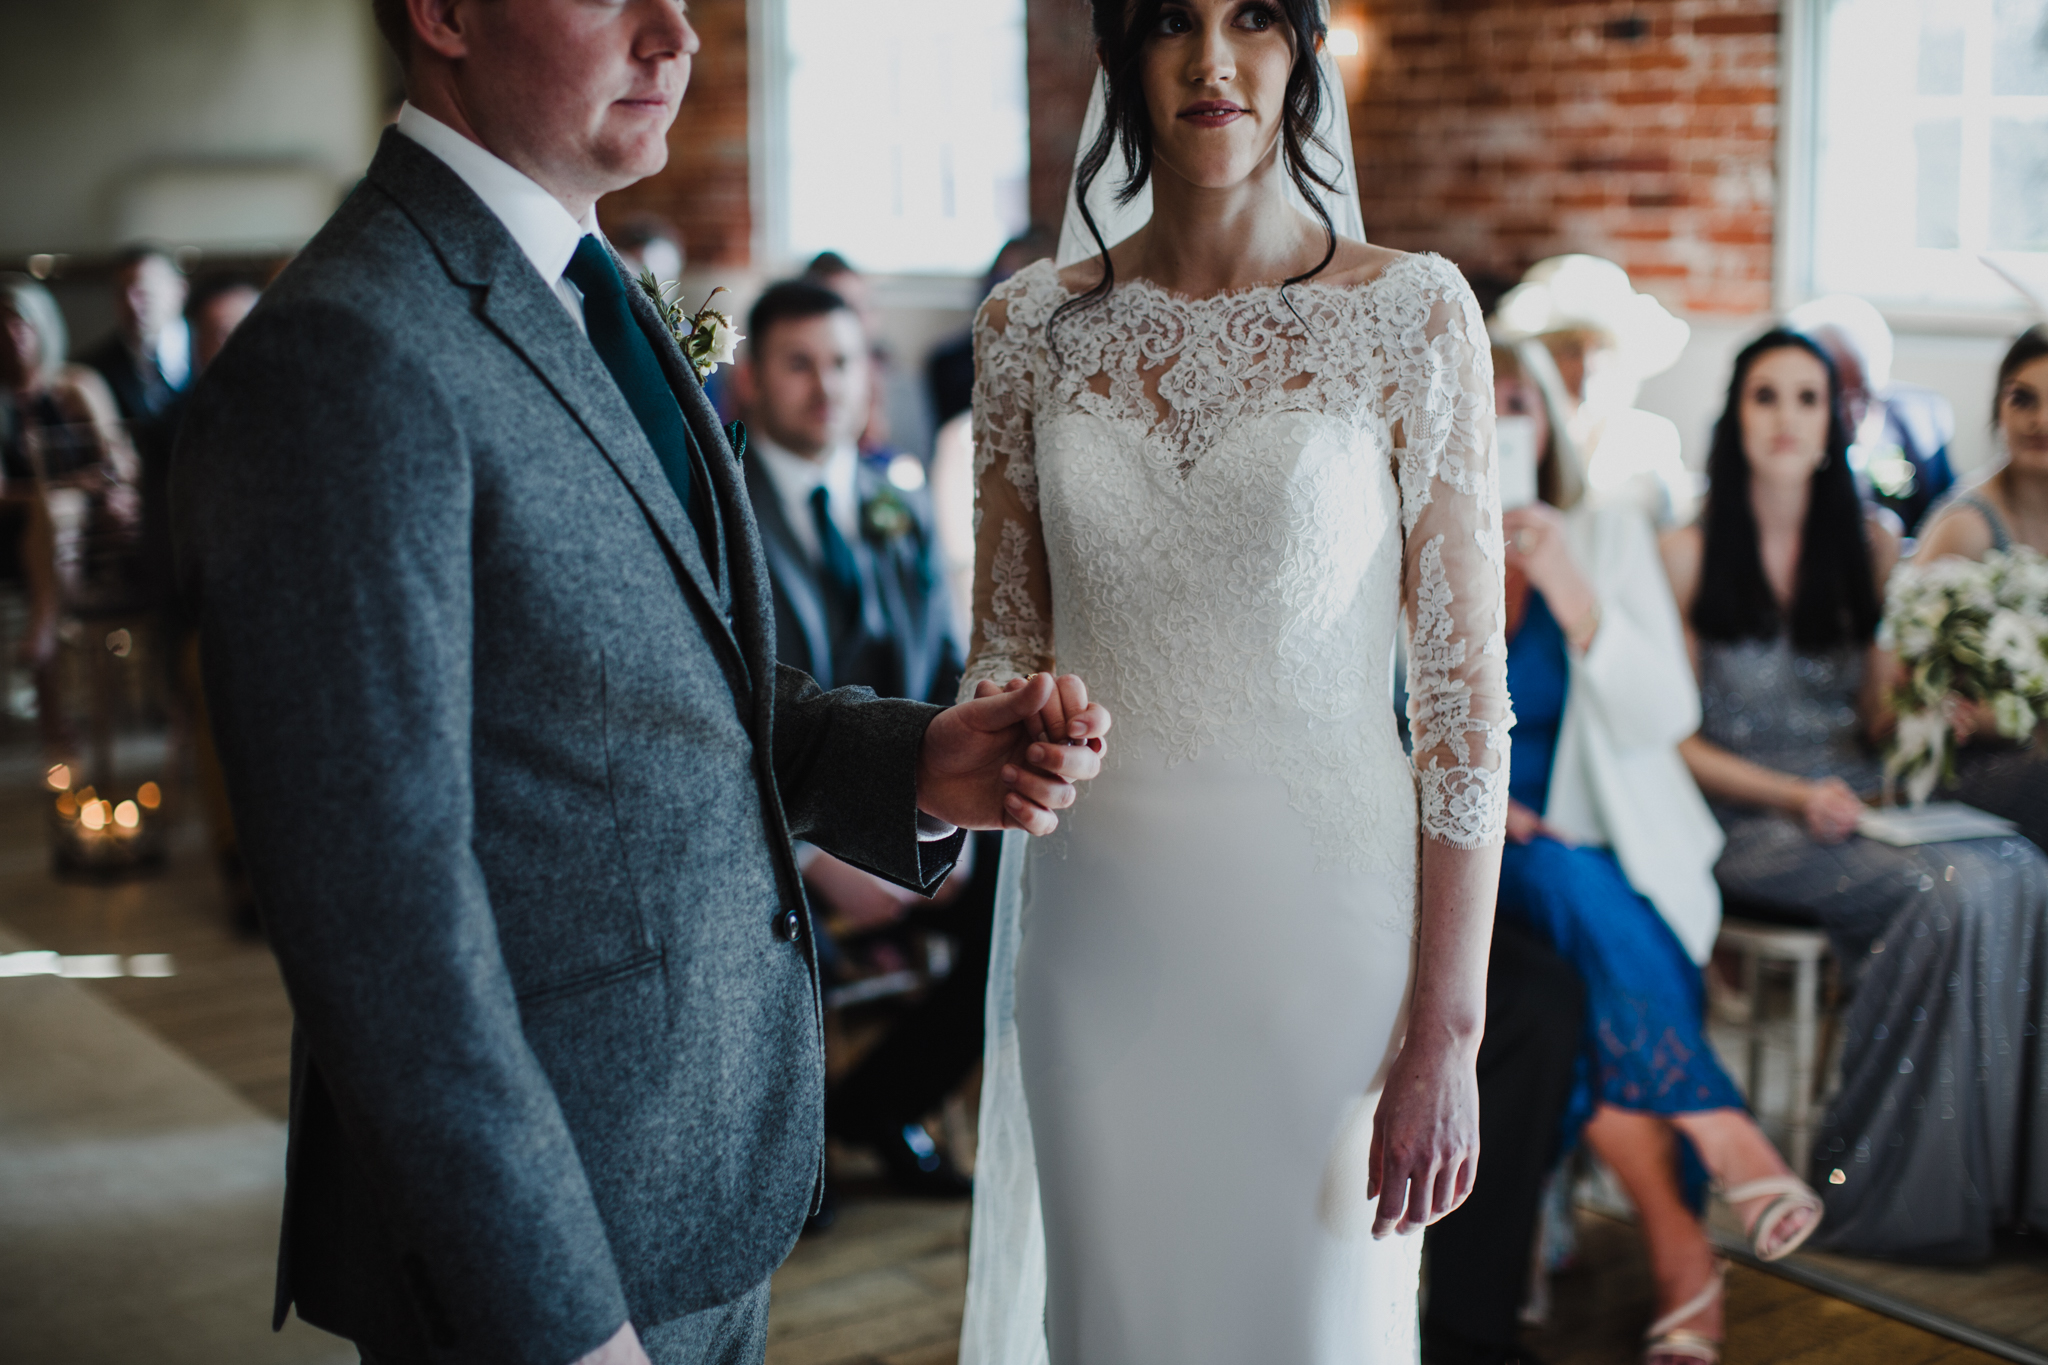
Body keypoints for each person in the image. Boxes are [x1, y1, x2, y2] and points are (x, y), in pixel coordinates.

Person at [171, 3, 1110, 1363]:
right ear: (440, 15)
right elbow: (384, 938)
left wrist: (910, 759)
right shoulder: (348, 356)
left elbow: (677, 689)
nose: (675, 35)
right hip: (552, 1243)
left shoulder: (592, 291)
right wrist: (562, 1325)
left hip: (700, 1180)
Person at [958, 1, 1505, 1359]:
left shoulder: (1413, 315)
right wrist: (1016, 730)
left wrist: (1449, 1031)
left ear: (1304, 48)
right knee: (1116, 1319)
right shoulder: (1029, 330)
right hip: (1099, 946)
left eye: (1253, 17)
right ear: (1123, 56)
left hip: (1327, 949)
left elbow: (1461, 710)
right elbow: (1002, 654)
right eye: (1174, 23)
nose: (1213, 61)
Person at [1663, 328, 2048, 1262]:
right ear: (1736, 415)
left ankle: (1996, 1185)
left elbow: (1877, 711)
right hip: (1747, 814)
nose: (1789, 418)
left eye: (1809, 399)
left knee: (2016, 866)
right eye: (1767, 396)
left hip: (1859, 798)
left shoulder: (1874, 541)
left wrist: (1937, 709)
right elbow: (1674, 740)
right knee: (1946, 888)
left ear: (1836, 420)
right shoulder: (1684, 548)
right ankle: (1870, 1183)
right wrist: (1796, 797)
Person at [1484, 343, 1821, 1365]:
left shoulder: (1602, 533)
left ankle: (1681, 1256)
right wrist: (1477, 804)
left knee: (1584, 979)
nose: (1495, 422)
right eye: (1469, 402)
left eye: (1512, 404)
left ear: (1542, 423)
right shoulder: (1404, 549)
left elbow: (1662, 714)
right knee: (1550, 874)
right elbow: (1374, 721)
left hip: (1607, 853)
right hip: (1469, 850)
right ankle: (1722, 1142)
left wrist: (1569, 594)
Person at [732, 279, 997, 1205]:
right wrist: (816, 854)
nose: (825, 387)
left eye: (841, 362)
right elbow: (722, 716)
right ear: (752, 378)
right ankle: (781, 1157)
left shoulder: (894, 494)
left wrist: (939, 812)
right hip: (770, 826)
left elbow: (933, 668)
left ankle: (876, 1106)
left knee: (1019, 903)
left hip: (906, 798)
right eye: (798, 364)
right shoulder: (721, 508)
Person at [1910, 326, 2048, 850]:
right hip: (1968, 765)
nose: (2042, 421)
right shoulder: (1966, 527)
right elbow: (1905, 687)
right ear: (1997, 410)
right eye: (2023, 400)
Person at [1, 273, 140, 758]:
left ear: (40, 326)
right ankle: (53, 611)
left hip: (90, 525)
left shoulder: (76, 385)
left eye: (18, 322)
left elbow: (119, 460)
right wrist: (52, 490)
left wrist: (79, 487)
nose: (11, 333)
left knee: (60, 505)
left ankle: (46, 619)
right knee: (49, 506)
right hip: (18, 535)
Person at [1787, 294, 1956, 534]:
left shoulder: (1920, 421)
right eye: (1836, 395)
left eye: (1862, 391)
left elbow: (1945, 515)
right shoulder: (1777, 434)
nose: (1851, 410)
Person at [801, 251, 934, 464]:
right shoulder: (805, 385)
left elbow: (918, 457)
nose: (859, 320)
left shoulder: (901, 383)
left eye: (865, 306)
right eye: (844, 308)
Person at [80, 244, 191, 425]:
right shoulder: (95, 370)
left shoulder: (210, 349)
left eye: (143, 292)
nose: (130, 303)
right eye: (121, 293)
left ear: (180, 291)